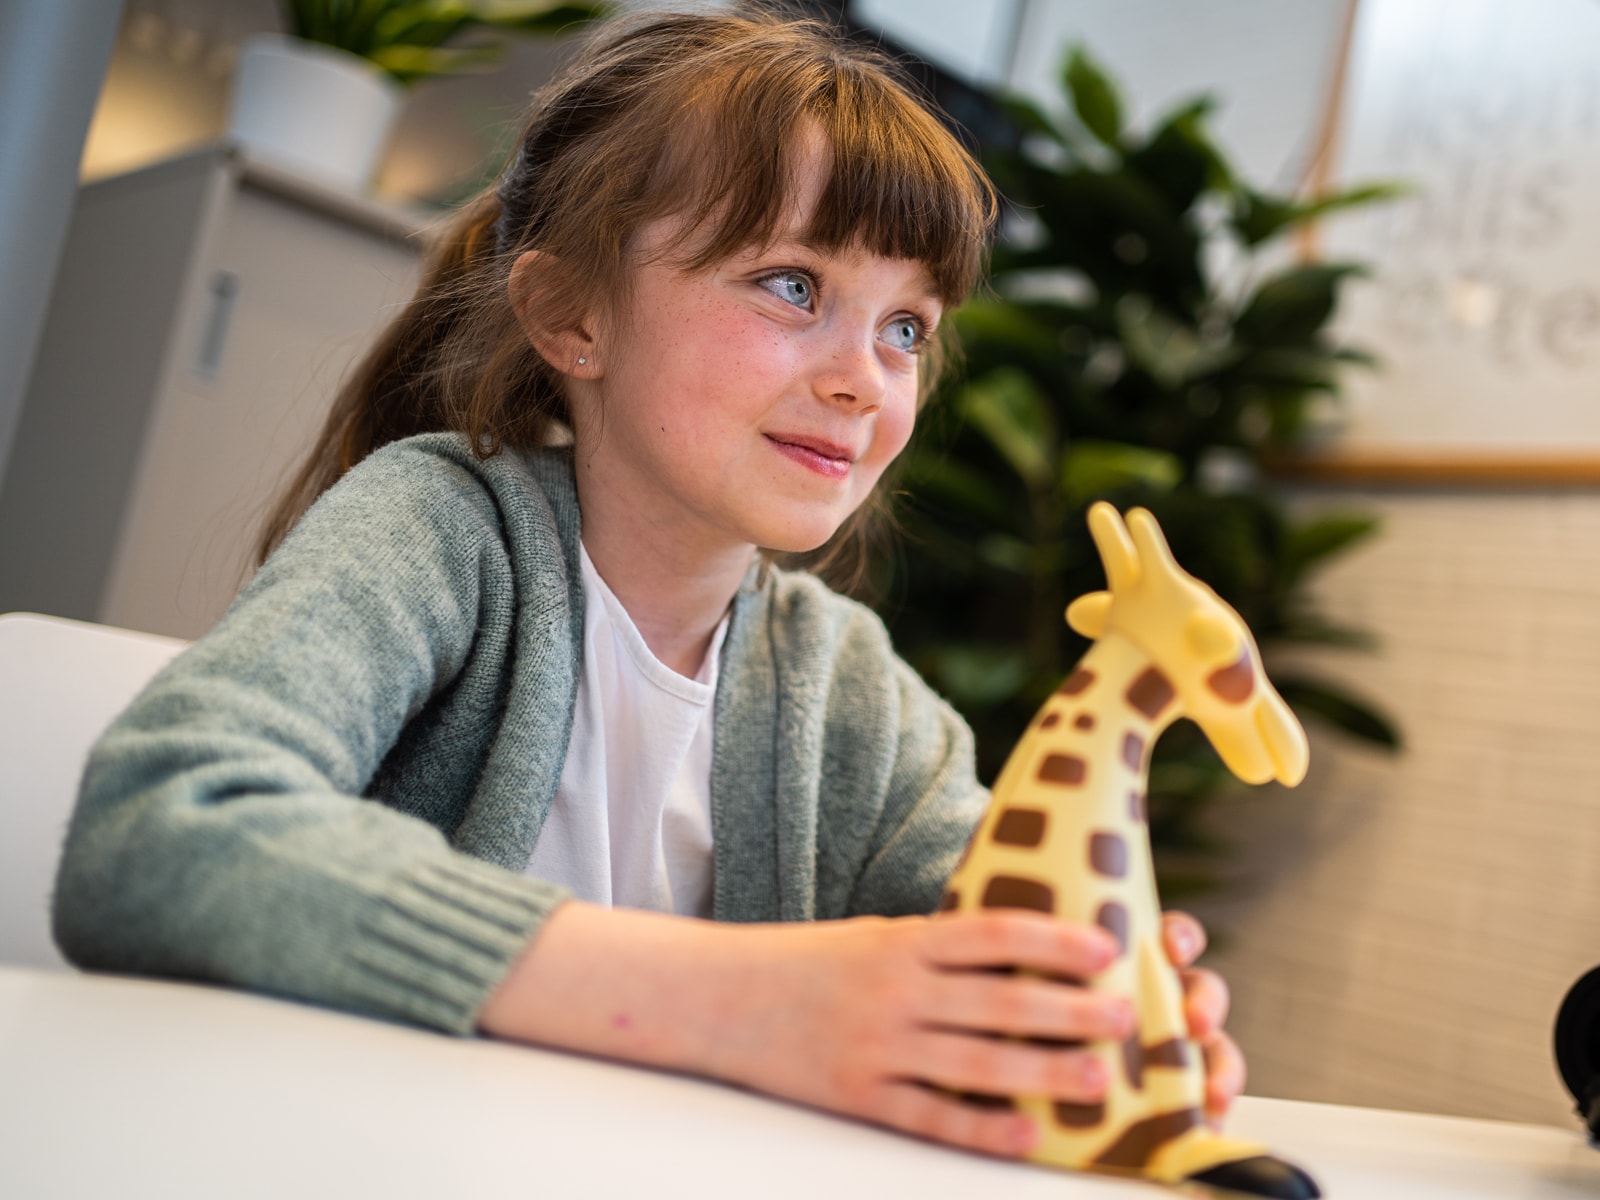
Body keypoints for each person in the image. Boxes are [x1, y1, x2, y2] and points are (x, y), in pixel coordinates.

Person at [52, 7, 1242, 1161]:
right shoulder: (441, 534)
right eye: (792, 285)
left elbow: (983, 962)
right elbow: (158, 831)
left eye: (907, 330)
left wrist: (1084, 1020)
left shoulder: (851, 693)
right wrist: (749, 1002)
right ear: (571, 314)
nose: (864, 381)